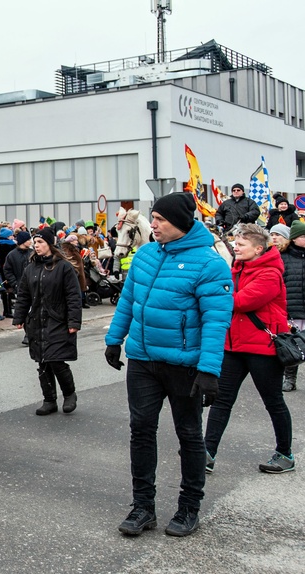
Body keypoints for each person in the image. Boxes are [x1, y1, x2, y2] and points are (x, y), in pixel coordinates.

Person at [105, 192, 233, 538]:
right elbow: (128, 301)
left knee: (190, 434)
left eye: (160, 219)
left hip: (185, 366)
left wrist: (209, 370)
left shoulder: (210, 264)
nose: (154, 225)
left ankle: (189, 507)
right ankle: (143, 507)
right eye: (154, 218)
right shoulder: (145, 254)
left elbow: (216, 321)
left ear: (181, 222)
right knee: (141, 430)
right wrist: (114, 340)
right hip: (143, 361)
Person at [204, 224, 295, 475]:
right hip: (233, 346)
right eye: (235, 243)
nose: (235, 246)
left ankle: (285, 454)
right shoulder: (236, 269)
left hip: (262, 349)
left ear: (258, 248)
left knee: (273, 401)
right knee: (221, 401)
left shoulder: (270, 273)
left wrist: (214, 296)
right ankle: (207, 453)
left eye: (241, 244)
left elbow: (242, 301)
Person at [13, 227, 81, 416]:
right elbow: (23, 295)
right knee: (42, 361)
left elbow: (73, 296)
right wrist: (19, 317)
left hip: (58, 319)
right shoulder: (31, 268)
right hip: (36, 321)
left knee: (56, 360)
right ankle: (49, 400)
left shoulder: (63, 267)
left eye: (40, 242)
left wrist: (74, 321)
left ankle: (69, 394)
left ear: (50, 244)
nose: (37, 246)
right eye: (35, 243)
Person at [280, 220, 305, 391]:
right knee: (293, 345)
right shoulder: (283, 258)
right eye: (303, 236)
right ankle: (289, 378)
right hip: (292, 310)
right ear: (294, 238)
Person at [4, 230, 33, 343]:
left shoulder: (32, 253)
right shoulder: (12, 255)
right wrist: (15, 283)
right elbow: (7, 271)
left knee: (33, 310)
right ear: (22, 241)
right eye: (28, 240)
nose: (30, 242)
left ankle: (32, 333)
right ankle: (28, 334)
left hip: (34, 287)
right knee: (25, 310)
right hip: (20, 287)